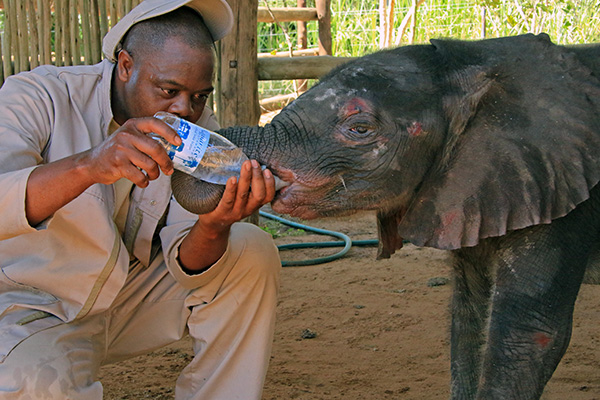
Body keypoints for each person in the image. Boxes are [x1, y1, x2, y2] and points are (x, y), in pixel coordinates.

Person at [0, 0, 281, 398]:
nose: (185, 111)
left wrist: (214, 225)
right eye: (169, 90)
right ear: (126, 66)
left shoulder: (197, 134)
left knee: (250, 252)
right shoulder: (40, 96)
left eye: (199, 96)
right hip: (28, 306)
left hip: (125, 301)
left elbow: (189, 264)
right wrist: (89, 166)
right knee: (39, 381)